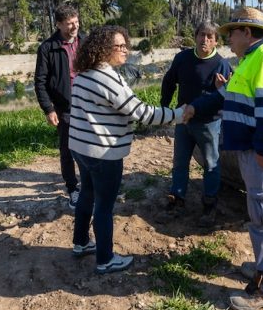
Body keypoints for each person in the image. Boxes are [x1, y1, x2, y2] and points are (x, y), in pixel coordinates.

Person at [187, 7, 263, 310]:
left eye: (231, 34)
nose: (228, 41)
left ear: (247, 33)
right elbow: (236, 98)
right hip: (256, 150)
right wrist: (205, 102)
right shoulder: (251, 60)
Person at [69, 25, 185, 274]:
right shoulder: (106, 77)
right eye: (119, 46)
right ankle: (105, 259)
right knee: (104, 206)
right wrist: (178, 114)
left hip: (81, 148)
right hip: (103, 152)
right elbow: (141, 112)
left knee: (87, 195)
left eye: (125, 45)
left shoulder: (83, 74)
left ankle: (80, 243)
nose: (125, 50)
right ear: (103, 49)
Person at [159, 21, 231, 228]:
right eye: (201, 35)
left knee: (211, 164)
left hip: (209, 123)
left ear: (216, 41)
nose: (205, 40)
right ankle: (177, 200)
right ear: (195, 36)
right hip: (183, 121)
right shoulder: (182, 58)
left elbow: (223, 95)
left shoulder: (221, 64)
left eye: (210, 37)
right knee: (179, 162)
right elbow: (169, 81)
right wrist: (164, 106)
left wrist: (200, 106)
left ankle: (209, 204)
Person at [34, 5, 83, 210]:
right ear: (59, 24)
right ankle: (73, 189)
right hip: (65, 109)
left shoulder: (86, 42)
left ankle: (89, 185)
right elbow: (40, 82)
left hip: (88, 105)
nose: (74, 26)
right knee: (68, 151)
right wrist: (49, 109)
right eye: (69, 23)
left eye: (76, 21)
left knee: (90, 147)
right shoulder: (47, 48)